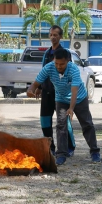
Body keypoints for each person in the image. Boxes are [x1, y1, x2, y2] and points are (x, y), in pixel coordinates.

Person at [26, 48, 100, 166]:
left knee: (87, 124)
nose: (59, 66)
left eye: (62, 64)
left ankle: (95, 151)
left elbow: (74, 92)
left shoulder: (73, 69)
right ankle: (61, 154)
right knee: (61, 125)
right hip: (61, 99)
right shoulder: (49, 67)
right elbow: (35, 83)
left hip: (79, 98)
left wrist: (71, 108)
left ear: (68, 61)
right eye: (56, 63)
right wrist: (30, 90)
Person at [35, 25, 76, 156]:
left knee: (63, 122)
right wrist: (39, 87)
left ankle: (69, 147)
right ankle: (50, 147)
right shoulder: (47, 54)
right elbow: (43, 72)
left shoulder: (65, 53)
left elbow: (70, 72)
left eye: (56, 35)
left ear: (60, 37)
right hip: (47, 93)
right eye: (51, 35)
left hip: (61, 94)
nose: (53, 37)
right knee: (45, 121)